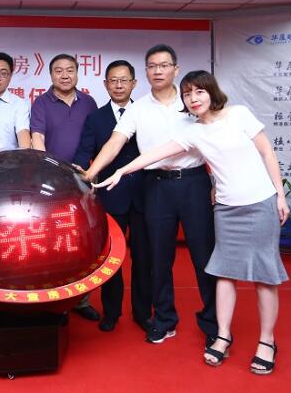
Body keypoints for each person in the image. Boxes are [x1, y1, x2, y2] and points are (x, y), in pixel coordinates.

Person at [94, 70, 289, 374]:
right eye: (187, 94)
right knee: (224, 273)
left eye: (199, 91)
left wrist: (279, 195)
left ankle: (267, 340)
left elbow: (267, 152)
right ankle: (222, 335)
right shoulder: (192, 131)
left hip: (259, 202)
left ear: (211, 91)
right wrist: (120, 171)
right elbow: (153, 155)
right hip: (225, 208)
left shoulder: (239, 114)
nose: (193, 98)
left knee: (264, 276)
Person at [81, 44, 218, 344]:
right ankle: (165, 319)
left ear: (175, 69)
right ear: (146, 72)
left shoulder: (192, 101)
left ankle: (213, 323)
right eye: (152, 66)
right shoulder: (138, 108)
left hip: (194, 183)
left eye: (164, 65)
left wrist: (217, 184)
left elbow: (216, 141)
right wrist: (90, 173)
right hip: (156, 185)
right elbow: (115, 142)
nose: (158, 71)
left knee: (203, 255)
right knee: (159, 257)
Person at [72, 60, 151, 332]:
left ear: (134, 83)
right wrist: (78, 170)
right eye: (113, 81)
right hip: (110, 194)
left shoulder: (145, 113)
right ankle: (111, 312)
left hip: (144, 194)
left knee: (144, 257)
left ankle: (143, 313)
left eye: (124, 80)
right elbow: (85, 150)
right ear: (105, 84)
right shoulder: (95, 118)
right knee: (111, 257)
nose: (118, 85)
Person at [31, 53, 99, 321]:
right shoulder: (41, 102)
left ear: (77, 73)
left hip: (81, 180)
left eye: (70, 70)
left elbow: (95, 141)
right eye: (58, 71)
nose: (65, 75)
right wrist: (49, 171)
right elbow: (37, 138)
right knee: (52, 241)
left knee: (81, 240)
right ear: (51, 75)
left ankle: (81, 300)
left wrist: (91, 173)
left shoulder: (89, 102)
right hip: (51, 182)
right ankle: (53, 299)